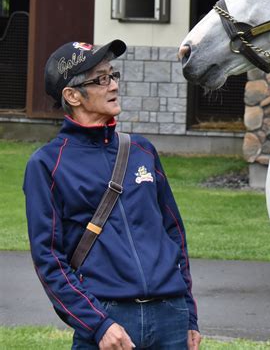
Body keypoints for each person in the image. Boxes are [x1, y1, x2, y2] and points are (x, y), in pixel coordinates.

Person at [23, 40, 201, 350]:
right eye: (101, 79)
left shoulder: (142, 150)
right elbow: (49, 259)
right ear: (72, 95)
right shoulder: (48, 164)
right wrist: (97, 324)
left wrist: (188, 314)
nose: (114, 85)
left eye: (113, 75)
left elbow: (175, 235)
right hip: (109, 319)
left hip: (170, 314)